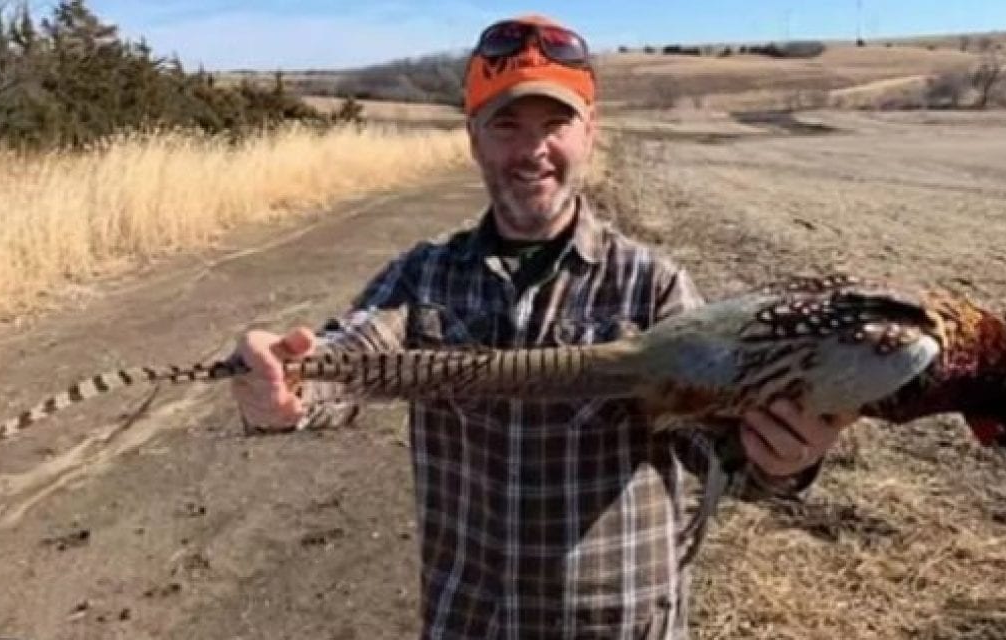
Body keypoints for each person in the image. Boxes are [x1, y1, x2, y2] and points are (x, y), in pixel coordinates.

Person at [232, 14, 852, 639]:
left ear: (590, 133)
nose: (532, 151)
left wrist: (783, 457)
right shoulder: (425, 276)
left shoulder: (652, 287)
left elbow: (720, 448)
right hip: (471, 621)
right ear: (474, 138)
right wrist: (289, 383)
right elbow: (357, 354)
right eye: (507, 125)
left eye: (555, 124)